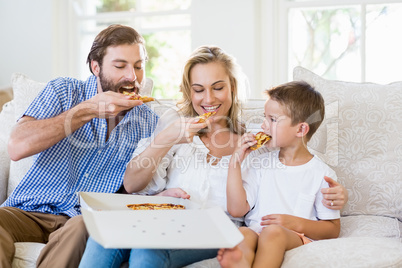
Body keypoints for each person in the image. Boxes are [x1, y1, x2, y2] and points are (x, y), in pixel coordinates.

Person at [79, 47, 347, 268]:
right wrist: (167, 140)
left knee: (147, 251)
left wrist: (336, 194)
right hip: (165, 220)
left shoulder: (258, 140)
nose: (208, 98)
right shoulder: (176, 127)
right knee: (105, 235)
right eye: (198, 90)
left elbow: (298, 159)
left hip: (213, 231)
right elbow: (133, 184)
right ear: (189, 92)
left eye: (218, 87)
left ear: (232, 87)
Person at [0, 24, 159, 268]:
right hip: (26, 210)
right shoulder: (64, 91)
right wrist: (88, 110)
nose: (133, 77)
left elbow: (137, 188)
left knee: (84, 226)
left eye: (139, 66)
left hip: (81, 220)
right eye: (120, 66)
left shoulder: (149, 123)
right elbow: (17, 146)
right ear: (96, 67)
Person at [217, 81, 340, 268]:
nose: (263, 126)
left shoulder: (322, 174)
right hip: (256, 232)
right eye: (264, 117)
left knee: (273, 232)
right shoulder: (260, 163)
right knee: (242, 234)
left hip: (294, 237)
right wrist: (235, 161)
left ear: (300, 129)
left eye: (273, 120)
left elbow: (332, 229)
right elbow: (236, 209)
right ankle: (237, 261)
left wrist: (294, 223)